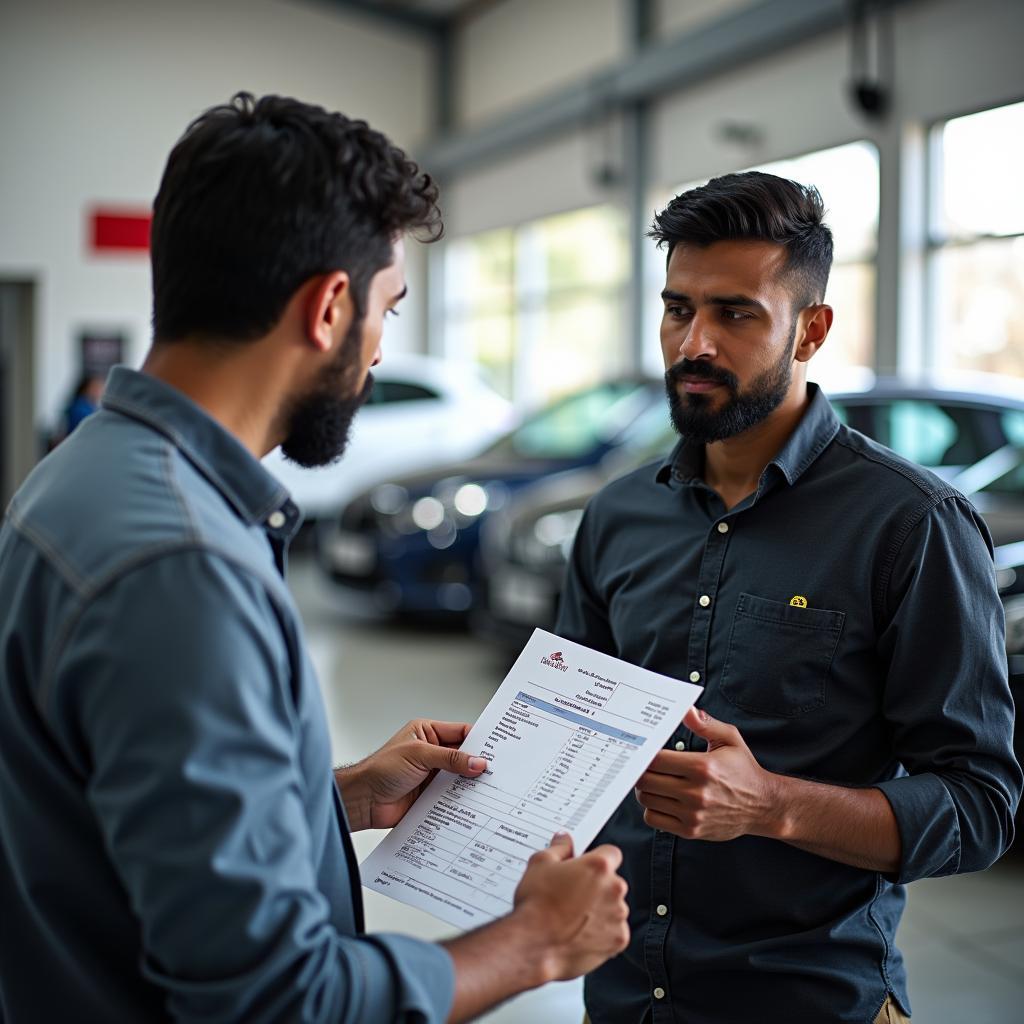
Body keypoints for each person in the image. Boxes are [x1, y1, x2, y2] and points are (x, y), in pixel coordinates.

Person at [0, 94, 629, 1023]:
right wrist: (532, 943)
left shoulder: (80, 480)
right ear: (330, 306)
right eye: (387, 308)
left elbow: (116, 826)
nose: (379, 352)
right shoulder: (182, 567)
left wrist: (333, 799)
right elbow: (272, 999)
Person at [555, 171, 1022, 1024]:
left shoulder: (912, 524)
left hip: (810, 999)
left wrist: (770, 806)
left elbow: (979, 806)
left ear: (811, 329)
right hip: (623, 994)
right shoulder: (616, 515)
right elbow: (571, 732)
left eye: (735, 313)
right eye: (676, 308)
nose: (693, 342)